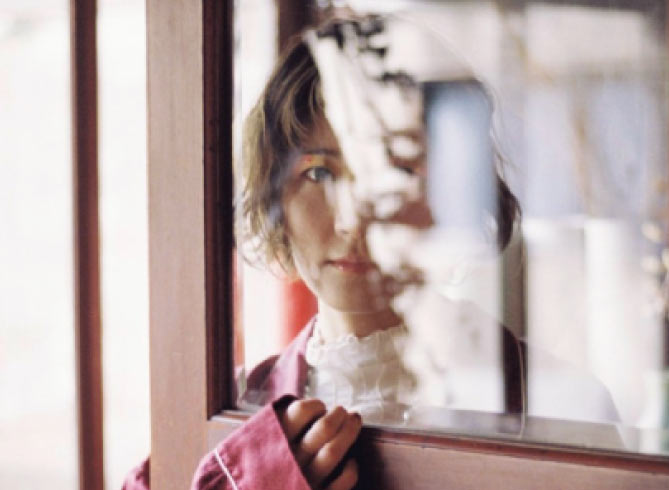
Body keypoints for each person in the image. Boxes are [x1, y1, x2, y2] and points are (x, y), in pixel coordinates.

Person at [125, 14, 616, 490]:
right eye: (319, 173)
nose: (351, 220)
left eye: (394, 169)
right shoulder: (224, 423)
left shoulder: (564, 409)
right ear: (275, 196)